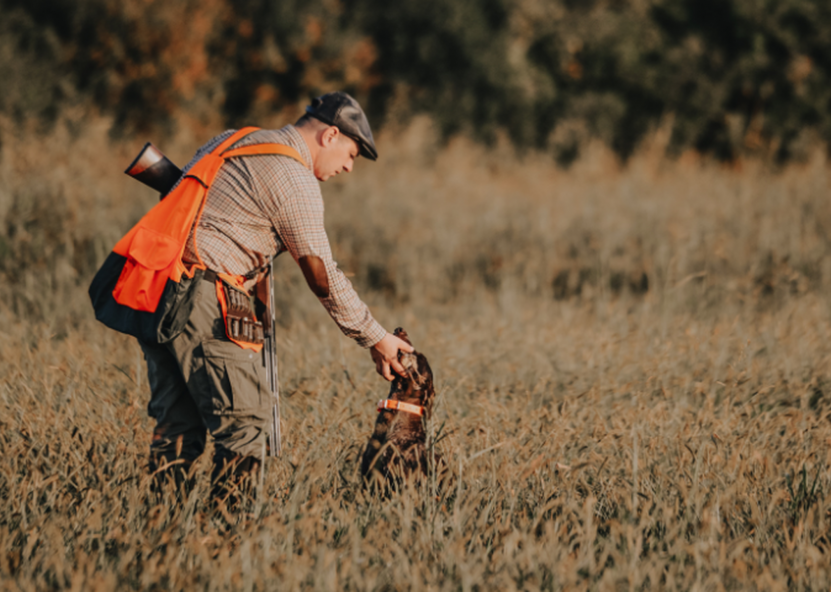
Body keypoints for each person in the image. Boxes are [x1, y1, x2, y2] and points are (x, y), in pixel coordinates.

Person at [138, 91, 413, 501]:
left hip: (159, 290)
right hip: (204, 299)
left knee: (177, 427)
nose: (348, 167)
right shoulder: (292, 176)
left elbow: (180, 195)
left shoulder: (232, 138)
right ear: (330, 135)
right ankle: (228, 541)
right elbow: (322, 276)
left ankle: (153, 531)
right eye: (351, 154)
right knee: (246, 426)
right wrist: (376, 336)